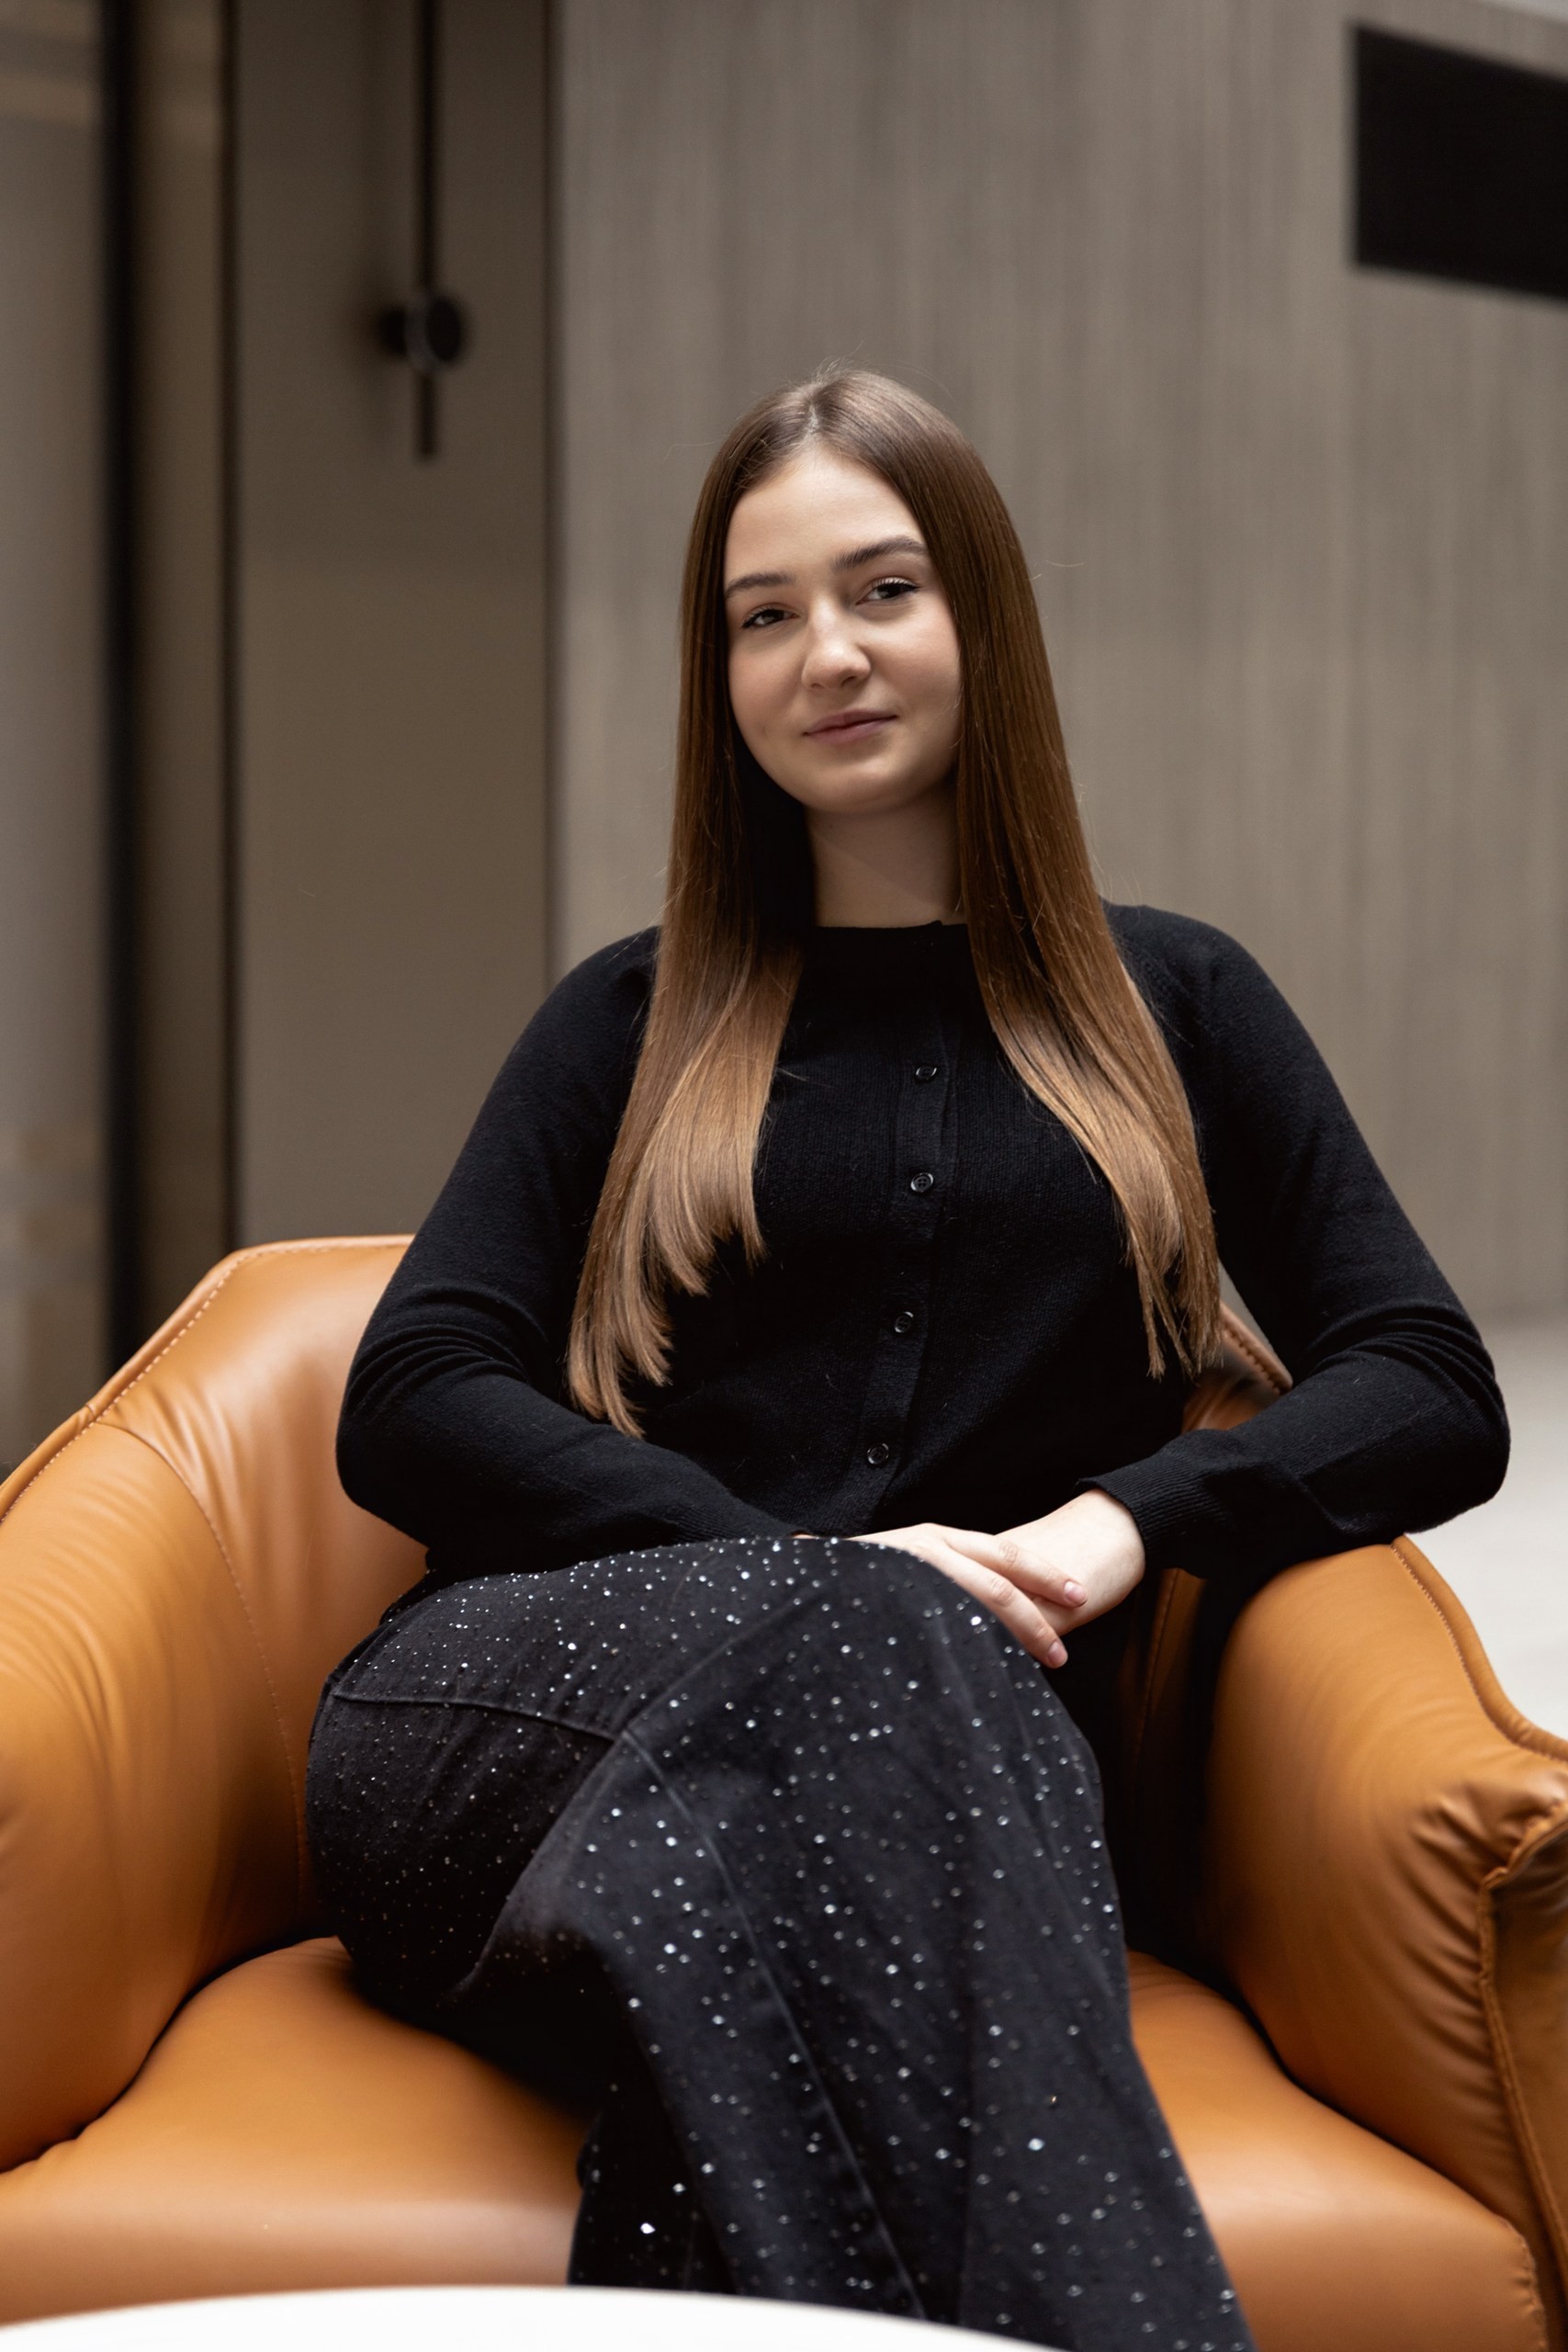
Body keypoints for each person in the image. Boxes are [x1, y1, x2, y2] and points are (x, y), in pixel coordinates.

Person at [306, 369, 1506, 2352]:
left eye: (879, 587)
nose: (822, 653)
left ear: (985, 619)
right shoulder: (633, 1014)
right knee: (878, 1646)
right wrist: (810, 1571)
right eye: (761, 614)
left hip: (921, 1795)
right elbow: (414, 1387)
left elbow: (1422, 1375)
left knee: (833, 1843)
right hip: (509, 1740)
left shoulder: (1175, 1003)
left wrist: (1127, 1526)